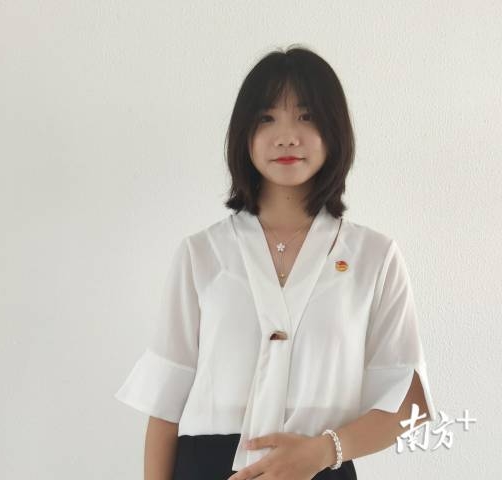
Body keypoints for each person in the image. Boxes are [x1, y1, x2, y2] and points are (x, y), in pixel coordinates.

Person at [114, 45, 437, 480]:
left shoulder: (374, 258)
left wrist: (323, 451)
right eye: (266, 118)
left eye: (306, 116)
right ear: (244, 134)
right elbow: (165, 404)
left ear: (334, 130)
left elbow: (407, 404)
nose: (286, 136)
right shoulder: (202, 254)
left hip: (321, 468)